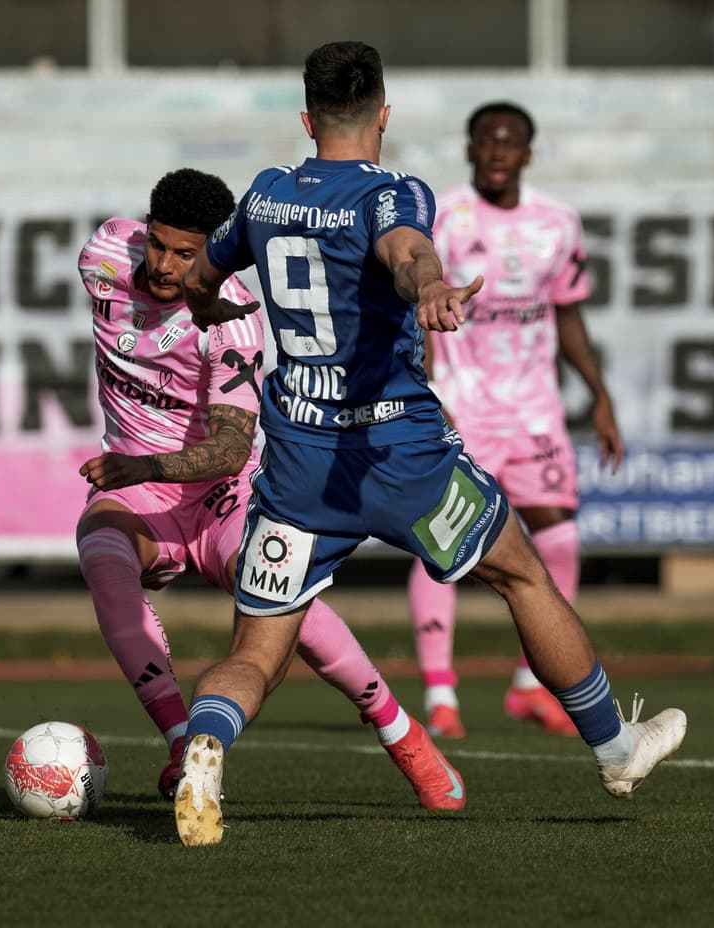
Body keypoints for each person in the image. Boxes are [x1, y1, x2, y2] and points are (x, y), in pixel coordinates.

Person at [175, 41, 686, 847]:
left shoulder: (267, 195)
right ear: (383, 114)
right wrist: (433, 287)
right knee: (523, 576)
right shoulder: (392, 193)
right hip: (400, 456)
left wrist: (210, 309)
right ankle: (616, 749)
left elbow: (199, 277)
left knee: (257, 651)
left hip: (300, 467)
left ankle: (207, 746)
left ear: (307, 120)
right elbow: (406, 251)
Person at [74, 167, 464, 812]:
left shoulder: (233, 320)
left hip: (219, 493)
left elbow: (230, 449)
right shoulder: (104, 255)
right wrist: (136, 473)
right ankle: (182, 742)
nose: (165, 265)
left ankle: (401, 733)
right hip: (140, 495)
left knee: (288, 608)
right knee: (101, 551)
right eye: (159, 244)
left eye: (186, 254)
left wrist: (143, 467)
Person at [408, 101, 625, 740]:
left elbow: (568, 315)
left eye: (510, 142)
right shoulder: (441, 217)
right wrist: (428, 390)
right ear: (469, 148)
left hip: (534, 412)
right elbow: (416, 310)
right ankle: (440, 695)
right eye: (487, 140)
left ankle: (532, 686)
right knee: (442, 539)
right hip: (462, 405)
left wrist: (600, 394)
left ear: (529, 154)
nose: (498, 151)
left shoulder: (557, 222)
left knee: (559, 535)